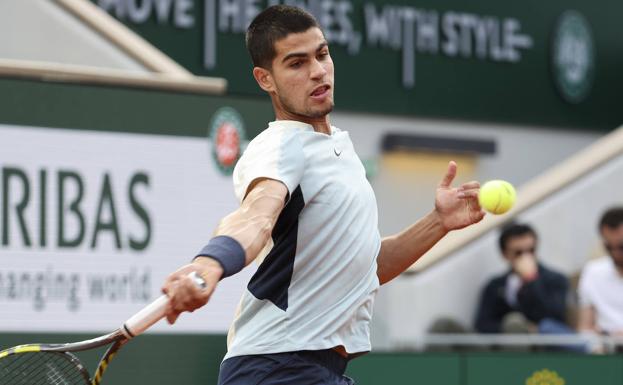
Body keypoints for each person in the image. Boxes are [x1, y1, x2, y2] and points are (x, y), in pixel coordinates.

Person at [160, 5, 485, 384]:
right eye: (296, 63)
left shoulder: (337, 150)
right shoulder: (279, 146)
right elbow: (255, 218)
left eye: (322, 54)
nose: (317, 71)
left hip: (311, 370)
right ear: (265, 79)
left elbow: (367, 267)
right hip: (275, 368)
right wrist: (209, 264)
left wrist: (438, 223)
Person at [474, 223, 572, 335]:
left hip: (543, 346)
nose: (526, 257)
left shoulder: (556, 279)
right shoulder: (495, 285)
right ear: (505, 254)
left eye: (531, 250)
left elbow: (555, 316)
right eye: (518, 253)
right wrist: (511, 329)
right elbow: (482, 324)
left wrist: (531, 279)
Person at [578, 207, 623, 338]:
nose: (615, 253)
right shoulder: (592, 272)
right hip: (604, 349)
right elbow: (585, 327)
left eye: (621, 247)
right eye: (609, 247)